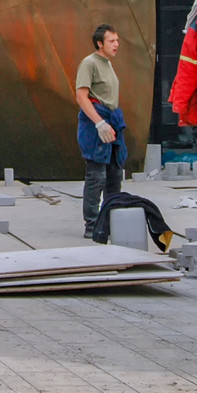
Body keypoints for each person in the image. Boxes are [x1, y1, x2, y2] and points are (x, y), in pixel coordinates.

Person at [75, 24, 128, 239]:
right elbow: (81, 96)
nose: (116, 44)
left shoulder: (108, 64)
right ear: (100, 43)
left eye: (117, 40)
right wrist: (99, 123)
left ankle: (109, 220)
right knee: (97, 176)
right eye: (111, 41)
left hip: (112, 121)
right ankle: (92, 225)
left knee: (114, 175)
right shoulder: (89, 64)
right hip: (96, 123)